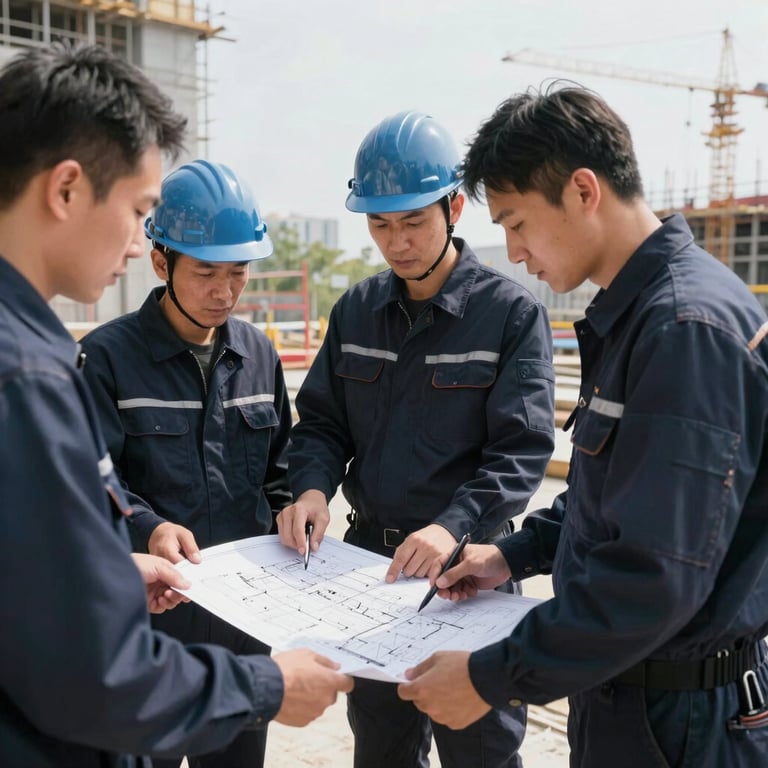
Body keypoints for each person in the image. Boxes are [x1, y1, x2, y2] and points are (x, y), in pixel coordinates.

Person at [0, 41, 352, 768]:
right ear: (66, 190)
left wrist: (110, 569)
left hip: (226, 618)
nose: (135, 244)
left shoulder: (31, 356)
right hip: (146, 671)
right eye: (136, 211)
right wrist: (264, 688)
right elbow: (89, 674)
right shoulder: (34, 376)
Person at [397, 84, 768, 767]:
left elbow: (655, 574)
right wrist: (515, 552)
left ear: (582, 191)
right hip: (634, 700)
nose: (512, 252)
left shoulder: (685, 329)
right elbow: (628, 498)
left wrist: (489, 676)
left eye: (515, 222)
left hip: (681, 724)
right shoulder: (642, 318)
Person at [278, 110, 556, 768]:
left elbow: (521, 453)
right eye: (380, 224)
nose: (396, 242)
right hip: (368, 574)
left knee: (480, 753)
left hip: (470, 577)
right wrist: (312, 488)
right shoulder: (355, 310)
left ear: (454, 207)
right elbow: (321, 422)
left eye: (412, 222)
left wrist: (454, 525)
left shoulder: (510, 316)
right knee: (380, 749)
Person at [79, 158, 293, 768]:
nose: (224, 291)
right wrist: (147, 529)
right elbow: (90, 484)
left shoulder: (258, 354)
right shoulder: (107, 359)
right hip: (149, 621)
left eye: (238, 273)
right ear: (161, 261)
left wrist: (295, 507)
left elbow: (280, 467)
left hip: (243, 623)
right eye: (205, 272)